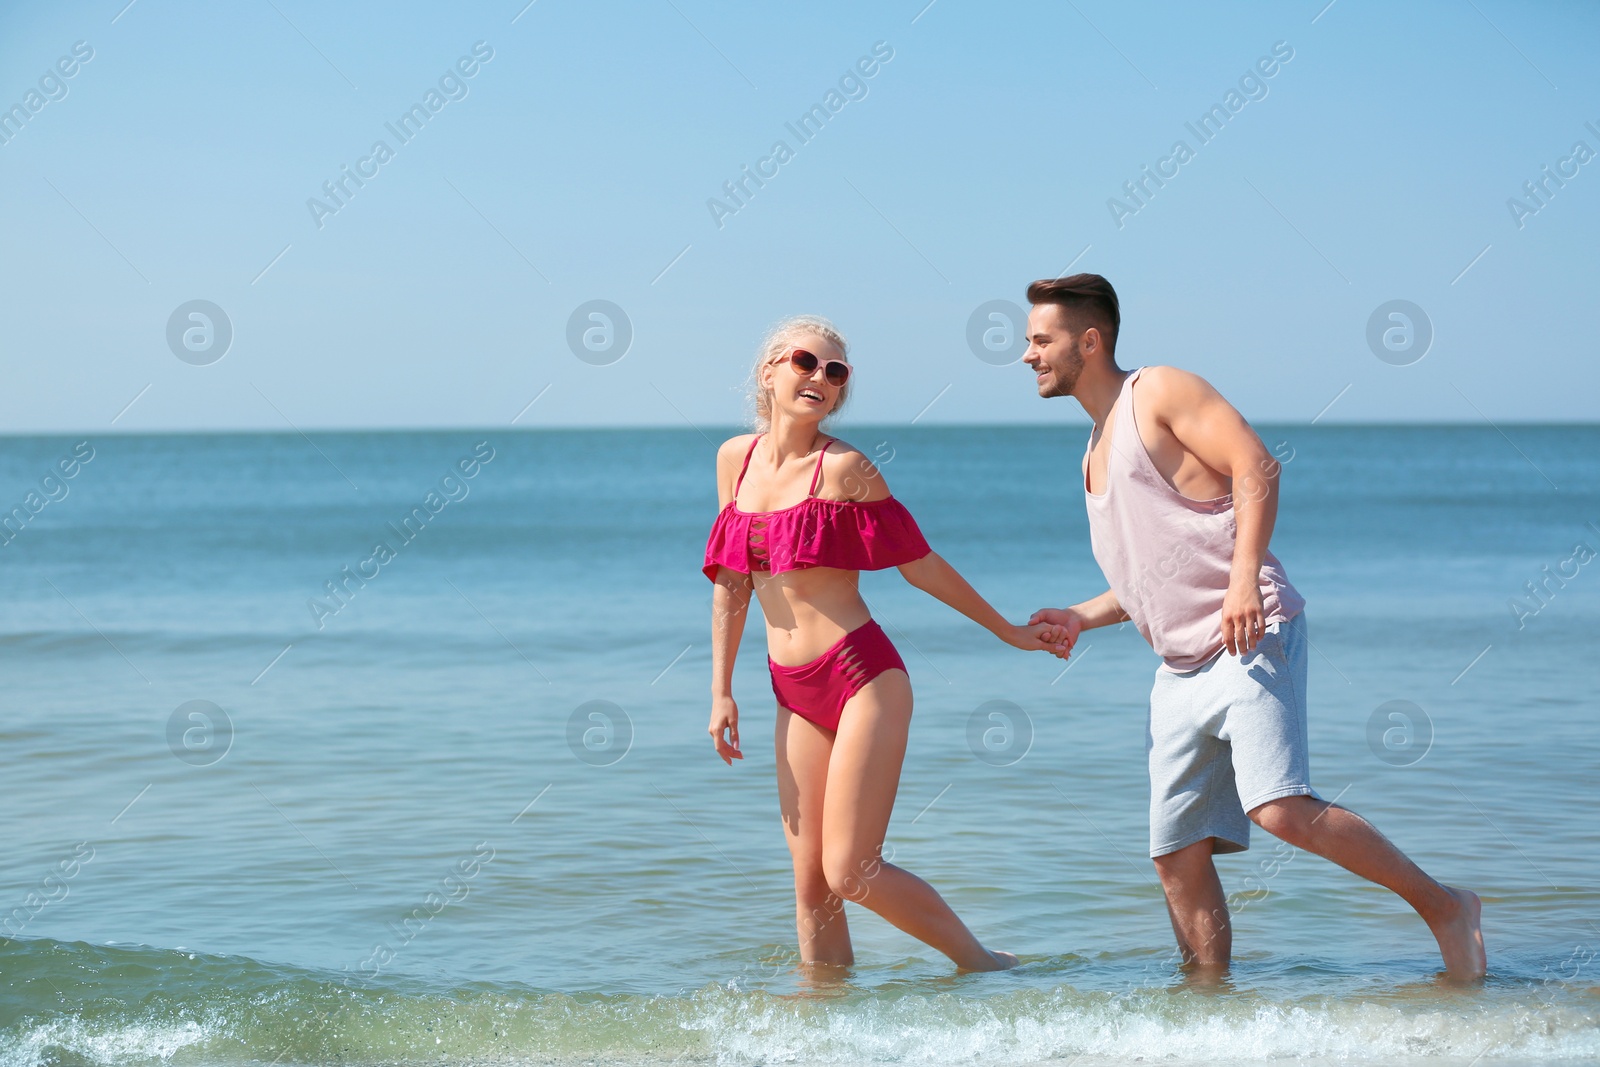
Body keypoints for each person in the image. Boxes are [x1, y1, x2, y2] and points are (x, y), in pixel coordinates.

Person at [1022, 274, 1487, 981]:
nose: (1027, 355)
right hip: (1177, 669)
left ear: (1089, 341)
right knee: (1175, 855)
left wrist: (1244, 577)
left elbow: (1256, 465)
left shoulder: (1160, 392)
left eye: (1039, 339)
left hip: (1249, 635)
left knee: (1279, 808)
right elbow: (1151, 576)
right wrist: (1082, 615)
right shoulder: (1090, 452)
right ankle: (1210, 1005)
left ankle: (1446, 906)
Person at [705, 315, 1065, 972]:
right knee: (810, 882)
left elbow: (919, 563)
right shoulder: (736, 459)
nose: (820, 378)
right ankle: (824, 1027)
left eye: (835, 372)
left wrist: (1009, 631)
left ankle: (982, 962)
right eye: (806, 362)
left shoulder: (845, 470)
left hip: (861, 675)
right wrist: (721, 690)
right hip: (790, 687)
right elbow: (732, 582)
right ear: (770, 372)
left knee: (849, 868)